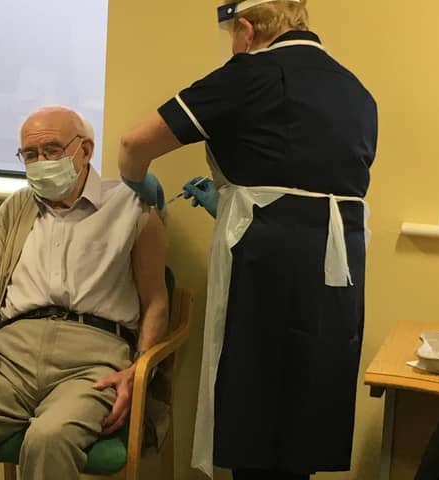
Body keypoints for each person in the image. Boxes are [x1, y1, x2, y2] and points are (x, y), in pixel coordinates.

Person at [117, 1, 378, 479]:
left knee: (255, 415)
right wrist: (233, 205)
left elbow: (135, 144)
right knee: (304, 411)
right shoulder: (356, 90)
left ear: (245, 29)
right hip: (338, 265)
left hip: (269, 265)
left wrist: (139, 184)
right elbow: (307, 179)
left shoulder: (250, 73)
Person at [0, 106, 169, 480]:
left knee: (50, 439)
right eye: (30, 155)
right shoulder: (17, 207)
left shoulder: (131, 206)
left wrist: (137, 370)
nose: (41, 162)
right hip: (11, 355)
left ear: (85, 150)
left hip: (92, 360)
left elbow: (156, 301)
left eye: (51, 150)